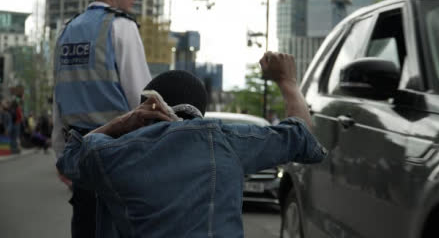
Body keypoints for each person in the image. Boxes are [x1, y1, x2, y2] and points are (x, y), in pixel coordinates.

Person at [57, 52, 328, 238]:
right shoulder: (226, 142)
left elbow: (70, 157)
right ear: (201, 113)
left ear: (145, 111)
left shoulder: (112, 154)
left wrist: (122, 123)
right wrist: (287, 82)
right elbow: (302, 136)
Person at [51, 0, 151, 237]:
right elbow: (141, 98)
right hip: (119, 153)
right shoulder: (122, 26)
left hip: (81, 154)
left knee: (85, 224)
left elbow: (58, 98)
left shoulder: (67, 30)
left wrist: (61, 157)